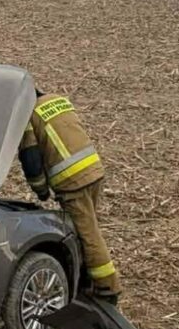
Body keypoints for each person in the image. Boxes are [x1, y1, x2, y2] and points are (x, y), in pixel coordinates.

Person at [18, 89, 123, 304]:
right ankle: (86, 279)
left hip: (72, 181)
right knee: (86, 228)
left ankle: (107, 288)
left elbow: (32, 160)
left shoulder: (29, 116)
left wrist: (41, 191)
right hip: (93, 170)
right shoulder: (57, 101)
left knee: (87, 234)